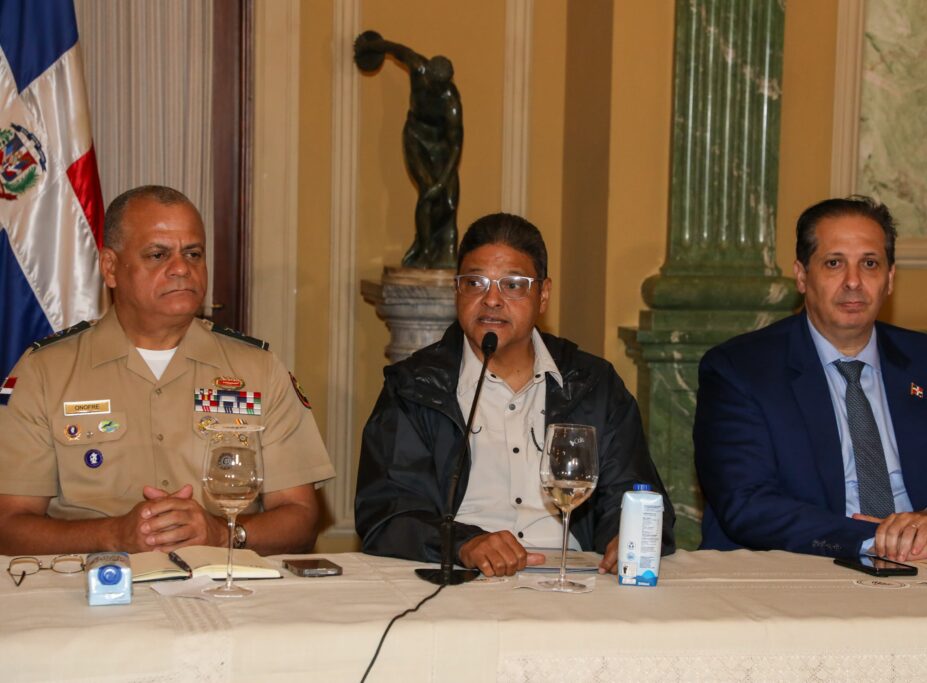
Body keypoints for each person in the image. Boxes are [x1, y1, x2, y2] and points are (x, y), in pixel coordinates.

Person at [0, 185, 335, 556]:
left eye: (193, 254)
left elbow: (301, 518)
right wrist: (113, 535)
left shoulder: (257, 369)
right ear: (110, 267)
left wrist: (220, 534)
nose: (181, 268)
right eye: (158, 255)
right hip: (95, 582)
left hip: (222, 583)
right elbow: (9, 524)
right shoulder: (45, 372)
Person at [356, 213, 675, 576]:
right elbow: (386, 512)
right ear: (457, 291)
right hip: (463, 579)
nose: (491, 299)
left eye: (513, 285)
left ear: (543, 295)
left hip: (574, 582)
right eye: (475, 283)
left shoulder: (592, 384)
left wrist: (625, 534)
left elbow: (634, 492)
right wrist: (462, 543)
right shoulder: (415, 385)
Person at [694, 196, 927, 561]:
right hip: (803, 567)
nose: (854, 282)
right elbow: (747, 504)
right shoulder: (740, 369)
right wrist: (879, 539)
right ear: (802, 276)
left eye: (870, 264)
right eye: (834, 263)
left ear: (890, 278)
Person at [354, 30, 462, 269]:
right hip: (416, 139)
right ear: (428, 75)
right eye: (435, 84)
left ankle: (442, 250)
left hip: (441, 148)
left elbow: (456, 145)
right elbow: (396, 49)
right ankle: (425, 249)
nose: (438, 90)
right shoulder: (417, 67)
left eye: (443, 86)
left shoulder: (451, 103)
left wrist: (443, 181)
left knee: (449, 200)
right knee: (427, 190)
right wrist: (372, 47)